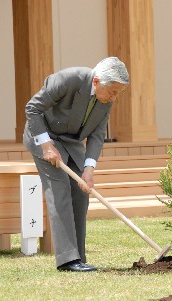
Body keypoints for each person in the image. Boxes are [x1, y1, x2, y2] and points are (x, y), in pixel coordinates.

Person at [23, 57, 129, 272]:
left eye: (118, 93)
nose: (114, 97)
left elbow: (98, 135)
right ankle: (67, 260)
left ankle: (78, 257)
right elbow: (32, 108)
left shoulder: (106, 99)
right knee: (59, 189)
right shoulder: (69, 79)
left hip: (71, 142)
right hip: (44, 135)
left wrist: (89, 169)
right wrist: (46, 145)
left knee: (81, 193)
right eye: (113, 91)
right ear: (97, 81)